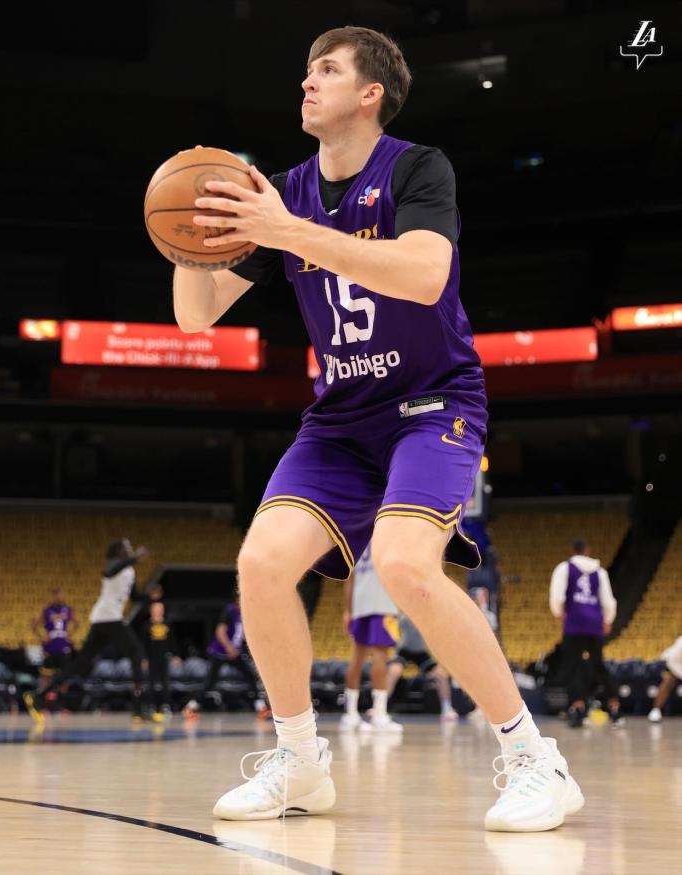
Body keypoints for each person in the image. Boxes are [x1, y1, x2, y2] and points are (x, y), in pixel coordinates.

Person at [175, 25, 583, 830]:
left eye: (325, 69)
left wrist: (287, 231)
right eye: (305, 69)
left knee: (403, 562)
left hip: (433, 403)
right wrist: (191, 234)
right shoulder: (283, 192)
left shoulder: (416, 168)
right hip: (340, 419)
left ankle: (536, 759)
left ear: (370, 93)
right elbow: (196, 316)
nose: (307, 82)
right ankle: (300, 763)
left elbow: (425, 274)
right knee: (261, 563)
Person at [24, 539, 150, 722]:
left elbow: (135, 596)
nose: (130, 549)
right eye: (127, 547)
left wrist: (151, 597)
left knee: (80, 663)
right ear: (119, 552)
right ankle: (138, 708)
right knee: (136, 651)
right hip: (108, 617)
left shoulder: (130, 570)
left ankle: (38, 696)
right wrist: (135, 558)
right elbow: (108, 572)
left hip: (105, 619)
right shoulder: (114, 564)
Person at [549, 538, 623, 728]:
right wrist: (608, 620)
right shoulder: (600, 572)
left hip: (574, 621)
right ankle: (614, 707)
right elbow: (609, 600)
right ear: (587, 550)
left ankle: (577, 708)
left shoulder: (564, 568)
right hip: (594, 623)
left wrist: (559, 612)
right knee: (598, 665)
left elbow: (557, 595)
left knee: (572, 665)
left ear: (572, 551)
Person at [341, 544, 402, 732]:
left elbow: (350, 578)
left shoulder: (358, 537)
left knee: (357, 656)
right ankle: (379, 714)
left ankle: (350, 714)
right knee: (380, 654)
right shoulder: (387, 533)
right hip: (382, 601)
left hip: (360, 602)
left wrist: (348, 610)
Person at [203, 595, 270, 718]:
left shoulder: (244, 614)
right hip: (220, 652)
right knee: (211, 681)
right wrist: (229, 648)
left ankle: (260, 707)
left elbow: (241, 635)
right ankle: (192, 706)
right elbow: (220, 632)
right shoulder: (230, 610)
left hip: (234, 653)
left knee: (251, 677)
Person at [386, 613, 458, 722]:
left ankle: (447, 708)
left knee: (441, 675)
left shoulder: (428, 615)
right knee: (393, 672)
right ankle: (380, 706)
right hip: (404, 650)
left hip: (420, 652)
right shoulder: (403, 615)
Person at [32, 589, 77, 694]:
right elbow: (34, 626)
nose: (59, 598)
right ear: (53, 597)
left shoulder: (68, 609)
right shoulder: (46, 610)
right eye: (57, 596)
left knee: (64, 675)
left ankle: (63, 699)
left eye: (60, 595)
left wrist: (69, 634)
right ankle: (44, 697)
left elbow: (77, 622)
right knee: (46, 675)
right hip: (50, 647)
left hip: (63, 646)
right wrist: (42, 637)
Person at [142, 600, 180, 721]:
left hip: (164, 657)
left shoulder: (168, 623)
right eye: (155, 609)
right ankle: (151, 705)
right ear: (151, 611)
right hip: (151, 658)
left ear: (162, 611)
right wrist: (144, 658)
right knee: (151, 683)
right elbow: (143, 643)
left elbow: (173, 640)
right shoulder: (147, 624)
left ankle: (165, 705)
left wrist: (176, 655)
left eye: (159, 609)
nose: (157, 611)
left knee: (165, 683)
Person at [648, 635, 682, 722]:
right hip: (671, 662)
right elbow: (673, 662)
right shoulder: (680, 644)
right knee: (668, 682)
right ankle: (655, 711)